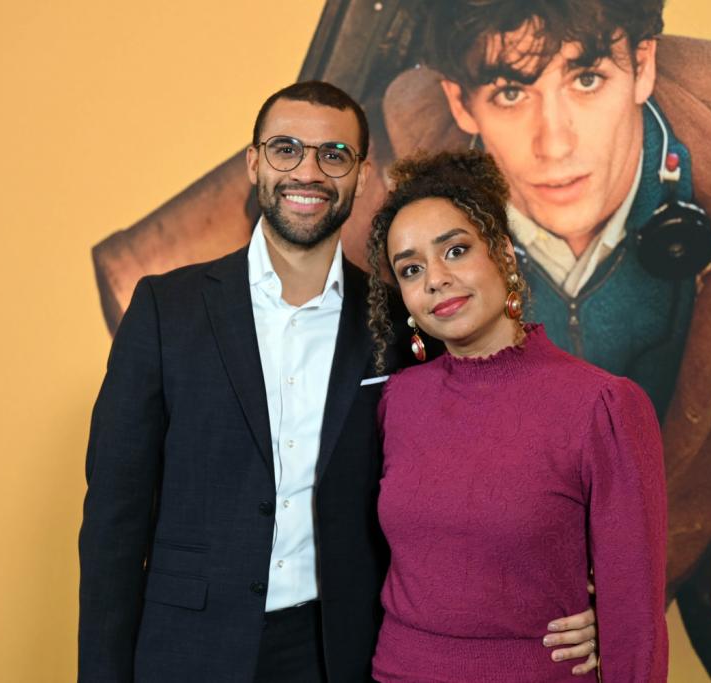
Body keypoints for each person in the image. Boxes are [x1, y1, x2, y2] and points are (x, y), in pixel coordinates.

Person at [381, 0, 711, 678]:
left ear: (642, 64)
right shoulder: (404, 151)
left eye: (586, 78)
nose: (555, 144)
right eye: (511, 93)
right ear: (460, 103)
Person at [78, 80, 597, 683]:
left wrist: (583, 591)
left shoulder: (402, 320)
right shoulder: (166, 309)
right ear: (254, 163)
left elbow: (473, 481)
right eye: (286, 149)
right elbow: (114, 518)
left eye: (333, 155)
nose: (308, 172)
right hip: (189, 648)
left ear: (361, 174)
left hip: (342, 651)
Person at [364, 149, 668, 682]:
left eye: (455, 250)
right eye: (412, 269)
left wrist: (610, 617)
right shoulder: (398, 401)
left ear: (503, 254)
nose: (435, 279)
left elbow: (635, 621)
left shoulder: (602, 406)